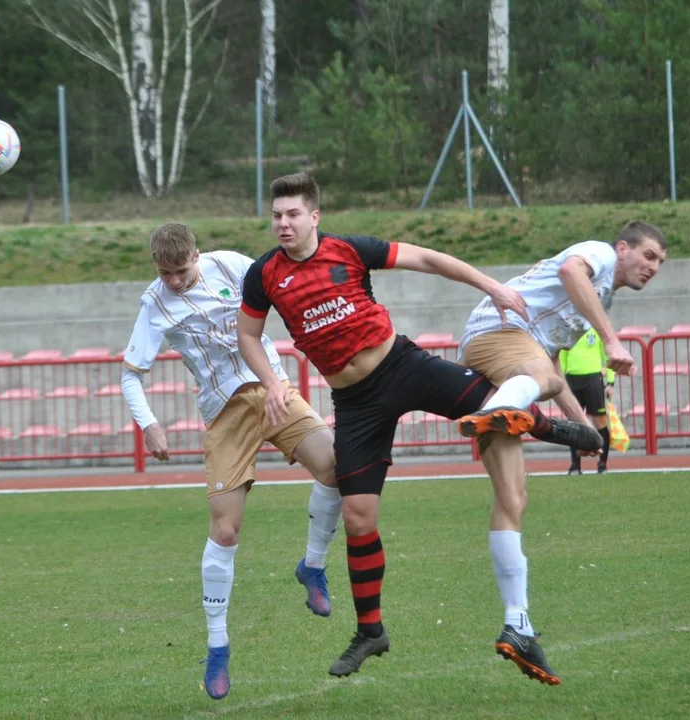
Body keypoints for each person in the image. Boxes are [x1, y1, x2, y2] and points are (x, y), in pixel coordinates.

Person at [235, 172, 599, 681]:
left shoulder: (350, 250)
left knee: (493, 407)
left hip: (401, 366)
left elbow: (428, 259)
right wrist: (273, 381)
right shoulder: (264, 274)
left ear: (314, 216)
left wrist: (492, 285)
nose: (283, 223)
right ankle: (371, 632)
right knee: (358, 516)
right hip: (355, 401)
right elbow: (247, 335)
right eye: (276, 215)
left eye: (293, 214)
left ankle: (554, 429)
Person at [120, 222, 342, 701]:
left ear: (197, 255)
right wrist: (149, 424)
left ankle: (313, 566)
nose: (174, 281)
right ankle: (218, 645)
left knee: (335, 467)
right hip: (223, 413)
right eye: (165, 273)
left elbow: (285, 300)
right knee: (225, 531)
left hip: (273, 392)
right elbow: (131, 376)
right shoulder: (154, 304)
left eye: (180, 270)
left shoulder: (234, 266)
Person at [454, 222, 667, 683]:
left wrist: (581, 429)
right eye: (648, 255)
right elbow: (571, 270)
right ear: (624, 248)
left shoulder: (599, 297)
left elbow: (548, 362)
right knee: (541, 380)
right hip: (498, 334)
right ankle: (500, 409)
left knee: (513, 500)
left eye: (660, 263)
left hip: (512, 369)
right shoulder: (597, 256)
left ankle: (518, 623)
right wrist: (611, 340)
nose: (653, 267)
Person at [560, 328, 616, 474]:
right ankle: (575, 465)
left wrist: (610, 383)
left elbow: (608, 355)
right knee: (574, 423)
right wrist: (561, 382)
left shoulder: (596, 328)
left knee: (600, 422)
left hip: (593, 379)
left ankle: (602, 464)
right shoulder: (568, 330)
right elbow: (562, 358)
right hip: (572, 379)